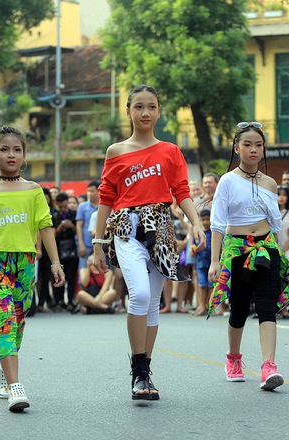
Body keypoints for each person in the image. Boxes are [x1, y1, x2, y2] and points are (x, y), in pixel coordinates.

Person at [92, 85, 205, 400]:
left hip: (162, 229)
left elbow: (181, 191)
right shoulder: (116, 151)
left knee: (153, 304)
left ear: (158, 111)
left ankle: (144, 372)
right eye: (138, 107)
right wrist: (98, 243)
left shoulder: (170, 151)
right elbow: (106, 198)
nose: (145, 113)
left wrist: (196, 222)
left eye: (151, 107)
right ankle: (138, 371)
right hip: (127, 228)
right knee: (139, 294)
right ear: (128, 111)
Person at [0, 125, 65, 412]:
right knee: (6, 322)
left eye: (16, 149)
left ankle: (5, 371)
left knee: (19, 320)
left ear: (24, 155)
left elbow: (46, 227)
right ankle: (16, 387)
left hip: (25, 262)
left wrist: (55, 263)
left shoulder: (34, 190)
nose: (10, 154)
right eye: (4, 149)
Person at [208, 121, 289, 390]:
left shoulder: (270, 183)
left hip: (266, 249)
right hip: (237, 250)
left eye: (258, 145)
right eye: (247, 144)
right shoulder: (227, 180)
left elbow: (275, 224)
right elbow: (217, 223)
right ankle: (233, 359)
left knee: (267, 307)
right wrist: (215, 260)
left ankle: (269, 366)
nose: (253, 149)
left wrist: (281, 255)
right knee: (239, 309)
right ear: (237, 148)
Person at [53, 192, 79, 311]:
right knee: (58, 276)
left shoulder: (74, 214)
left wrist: (71, 226)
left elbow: (77, 231)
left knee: (71, 276)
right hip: (58, 249)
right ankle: (59, 301)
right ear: (57, 205)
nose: (63, 209)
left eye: (65, 206)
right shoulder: (54, 216)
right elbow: (52, 234)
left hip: (72, 248)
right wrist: (61, 227)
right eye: (61, 206)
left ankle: (70, 301)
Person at [191, 209, 213, 317]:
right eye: (203, 220)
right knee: (202, 285)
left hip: (210, 262)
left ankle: (208, 306)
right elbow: (193, 245)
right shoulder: (198, 233)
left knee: (210, 286)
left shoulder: (214, 232)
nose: (205, 222)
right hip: (200, 262)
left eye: (207, 219)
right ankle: (201, 306)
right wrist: (193, 249)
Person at [76, 181, 100, 269]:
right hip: (86, 245)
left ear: (99, 191)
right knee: (83, 272)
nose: (90, 193)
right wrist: (81, 244)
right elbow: (79, 225)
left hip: (101, 245)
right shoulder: (82, 206)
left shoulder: (104, 206)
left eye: (92, 191)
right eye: (88, 191)